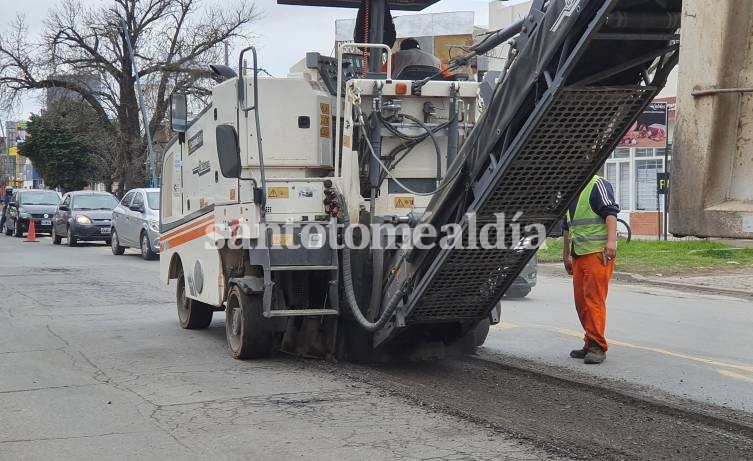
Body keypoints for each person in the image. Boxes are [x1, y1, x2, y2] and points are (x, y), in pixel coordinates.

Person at [562, 175, 619, 364]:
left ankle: (597, 346)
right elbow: (567, 226)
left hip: (596, 253)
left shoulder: (597, 184)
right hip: (578, 254)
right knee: (581, 303)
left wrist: (612, 241)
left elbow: (610, 212)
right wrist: (566, 255)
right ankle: (589, 342)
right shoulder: (571, 188)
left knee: (593, 301)